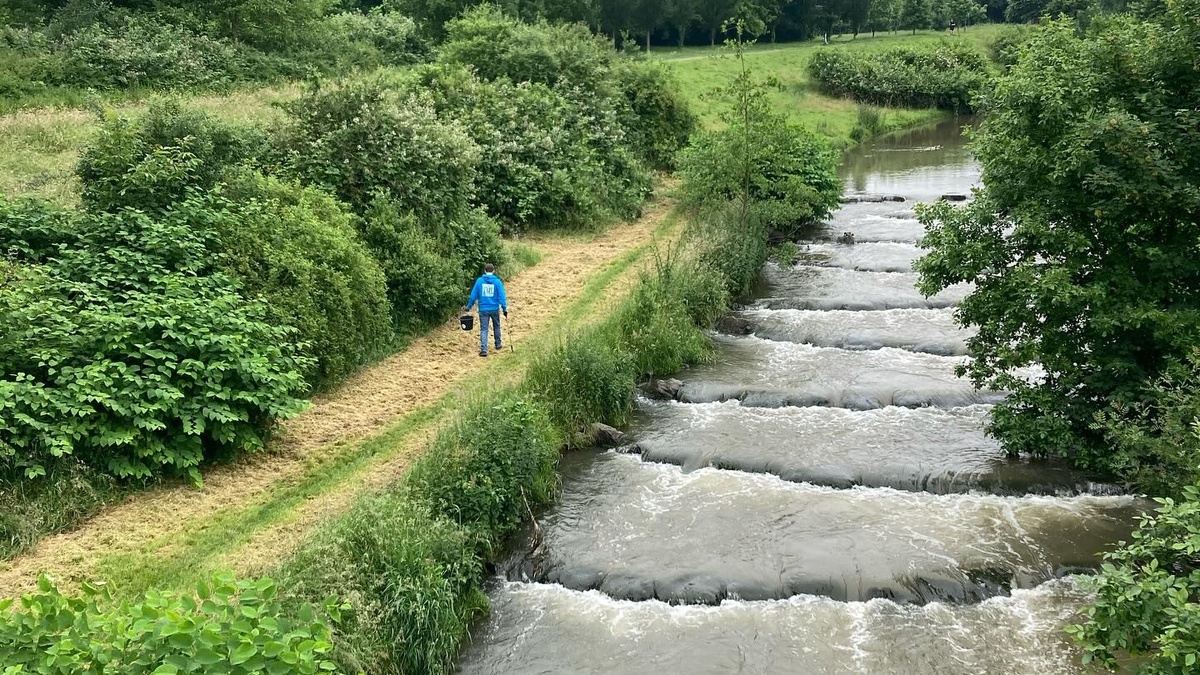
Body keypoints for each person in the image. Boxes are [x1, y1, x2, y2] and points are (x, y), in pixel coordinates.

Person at [464, 263, 508, 357]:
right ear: (493, 271)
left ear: (485, 270)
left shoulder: (479, 281)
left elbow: (473, 295)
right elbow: (501, 296)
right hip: (495, 308)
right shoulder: (497, 282)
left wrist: (469, 306)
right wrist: (504, 308)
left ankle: (484, 349)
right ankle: (498, 344)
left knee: (484, 329)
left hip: (483, 309)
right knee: (497, 326)